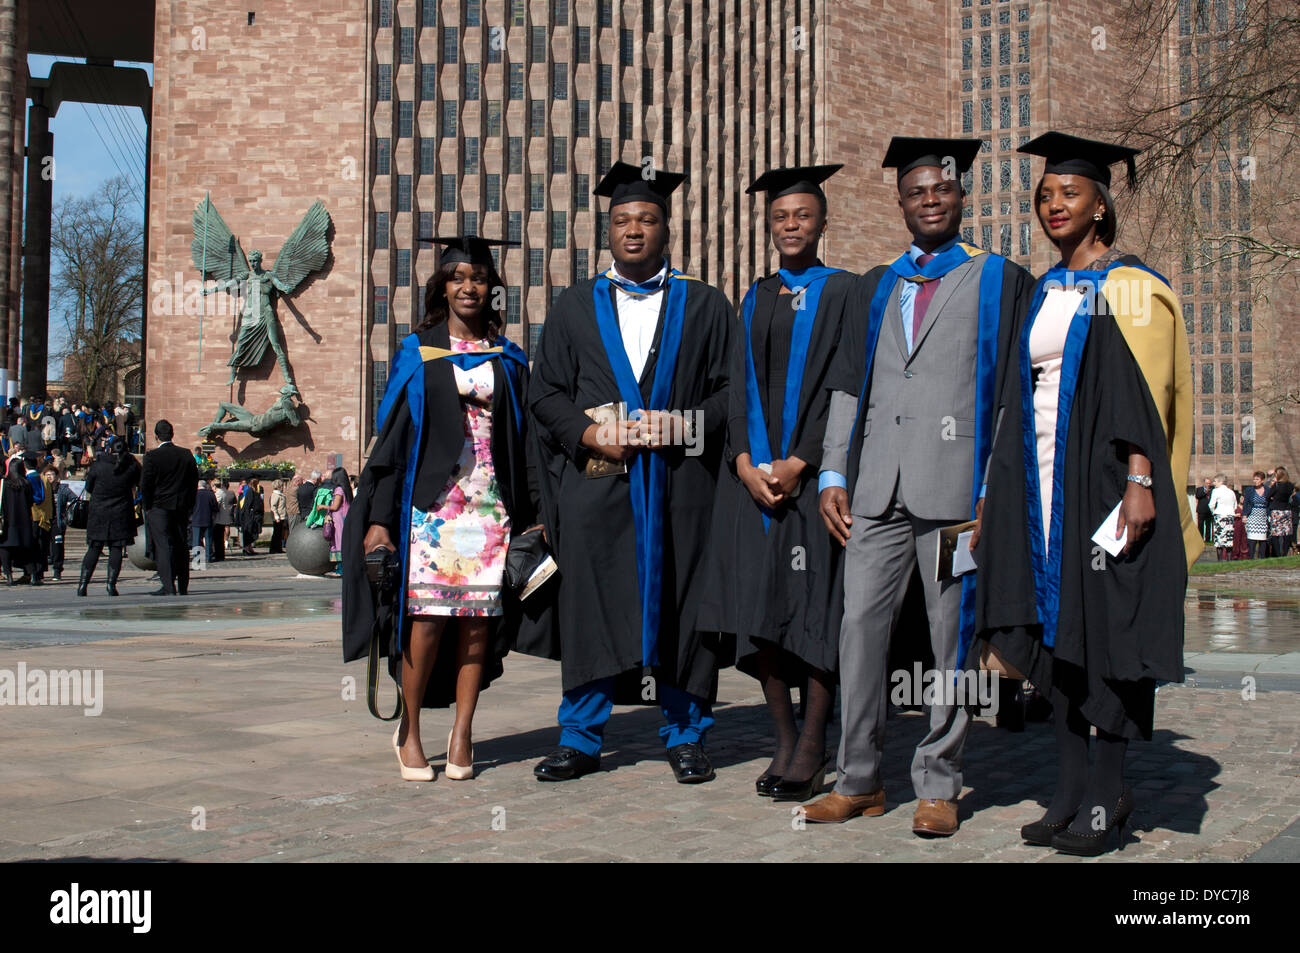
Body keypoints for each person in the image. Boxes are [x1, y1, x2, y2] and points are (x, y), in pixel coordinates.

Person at [975, 132, 1201, 856]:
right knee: (1058, 643)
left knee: (1109, 638)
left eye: (1069, 194)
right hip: (1042, 490)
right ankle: (1068, 790)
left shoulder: (1130, 287)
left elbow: (1147, 399)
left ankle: (1108, 795)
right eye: (1044, 197)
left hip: (1104, 490)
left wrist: (1141, 480)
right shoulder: (1046, 288)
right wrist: (994, 496)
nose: (1053, 206)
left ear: (1101, 204)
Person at [806, 138, 1033, 835]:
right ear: (899, 201)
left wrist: (994, 483)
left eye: (942, 188)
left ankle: (940, 780)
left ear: (962, 197)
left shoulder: (998, 278)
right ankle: (859, 778)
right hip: (875, 490)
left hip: (954, 492)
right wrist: (835, 470)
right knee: (858, 632)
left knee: (949, 640)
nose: (930, 199)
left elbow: (1010, 396)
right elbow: (852, 381)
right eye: (916, 190)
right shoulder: (878, 284)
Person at [525, 162, 735, 784]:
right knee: (591, 604)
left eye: (647, 219)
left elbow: (732, 395)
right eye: (622, 221)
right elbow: (546, 395)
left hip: (682, 488)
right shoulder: (572, 307)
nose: (634, 230)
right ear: (607, 230)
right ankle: (580, 736)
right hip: (598, 487)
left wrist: (685, 426)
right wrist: (590, 433)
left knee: (682, 605)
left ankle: (686, 734)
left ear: (667, 228)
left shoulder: (706, 305)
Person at [347, 235, 536, 782]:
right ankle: (409, 729)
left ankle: (463, 731)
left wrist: (536, 511)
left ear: (492, 289)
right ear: (443, 287)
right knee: (428, 619)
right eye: (457, 277)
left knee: (477, 622)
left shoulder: (509, 357)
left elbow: (526, 443)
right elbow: (393, 444)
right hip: (431, 508)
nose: (468, 286)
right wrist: (379, 518)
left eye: (478, 278)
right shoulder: (419, 352)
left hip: (490, 505)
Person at [698, 164, 854, 802]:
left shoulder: (845, 291)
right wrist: (739, 459)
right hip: (752, 482)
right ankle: (784, 739)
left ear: (822, 222)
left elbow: (847, 384)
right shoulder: (755, 295)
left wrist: (805, 461)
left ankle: (815, 744)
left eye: (803, 215)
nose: (791, 225)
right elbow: (735, 386)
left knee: (815, 614)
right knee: (759, 616)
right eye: (780, 217)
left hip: (810, 483)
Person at [141, 419, 199, 596]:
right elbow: (193, 482)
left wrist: (147, 506)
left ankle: (168, 585)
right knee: (181, 545)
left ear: (156, 437)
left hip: (159, 506)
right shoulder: (186, 454)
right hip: (180, 506)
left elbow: (146, 485)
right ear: (172, 434)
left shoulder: (151, 457)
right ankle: (183, 586)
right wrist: (189, 504)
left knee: (163, 545)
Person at [79, 437, 142, 596]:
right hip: (121, 511)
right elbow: (139, 482)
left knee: (94, 548)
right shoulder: (131, 466)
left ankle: (83, 585)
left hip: (99, 511)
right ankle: (111, 584)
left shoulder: (98, 465)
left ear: (109, 449)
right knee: (116, 548)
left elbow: (89, 487)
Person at [1, 455, 38, 585]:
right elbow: (31, 502)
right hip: (24, 521)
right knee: (27, 549)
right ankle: (32, 575)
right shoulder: (26, 483)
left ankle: (8, 575)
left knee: (5, 548)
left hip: (8, 521)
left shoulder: (4, 484)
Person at [315, 466, 352, 569]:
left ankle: (340, 569)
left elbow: (335, 507)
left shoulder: (339, 490)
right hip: (345, 517)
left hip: (339, 519)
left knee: (339, 543)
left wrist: (322, 506)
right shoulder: (346, 488)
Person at [1266, 465, 1294, 558]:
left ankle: (1278, 553)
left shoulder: (1277, 485)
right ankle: (1285, 553)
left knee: (1276, 533)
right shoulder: (1290, 485)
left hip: (1277, 510)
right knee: (1286, 533)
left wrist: (1273, 499)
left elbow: (1268, 496)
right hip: (1287, 510)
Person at [1208, 474, 1237, 560]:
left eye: (1215, 481)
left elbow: (1211, 504)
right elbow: (1235, 505)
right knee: (1228, 538)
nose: (1214, 483)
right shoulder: (1231, 492)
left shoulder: (1216, 491)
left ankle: (1220, 559)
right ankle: (1228, 558)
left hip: (1220, 515)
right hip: (1230, 516)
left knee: (1219, 539)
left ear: (1221, 482)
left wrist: (1214, 512)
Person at [1242, 471, 1269, 559]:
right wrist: (1244, 515)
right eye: (1254, 479)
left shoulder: (1267, 490)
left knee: (1263, 539)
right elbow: (1246, 503)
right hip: (1253, 515)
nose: (1255, 481)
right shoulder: (1249, 490)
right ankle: (1251, 557)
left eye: (1257, 479)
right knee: (1251, 539)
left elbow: (1269, 503)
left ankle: (1262, 557)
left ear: (1262, 480)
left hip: (1263, 516)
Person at [192, 479, 219, 563]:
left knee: (196, 540)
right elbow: (215, 507)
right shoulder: (210, 494)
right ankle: (208, 557)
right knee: (208, 539)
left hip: (196, 519)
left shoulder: (194, 494)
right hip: (208, 519)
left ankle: (197, 557)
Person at [239, 478, 265, 555]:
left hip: (254, 515)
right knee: (249, 533)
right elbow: (248, 504)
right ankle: (246, 548)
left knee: (252, 532)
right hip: (250, 516)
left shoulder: (255, 492)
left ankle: (250, 548)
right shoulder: (250, 492)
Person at [212, 478, 235, 561]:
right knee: (220, 537)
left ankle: (219, 555)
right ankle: (220, 554)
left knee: (217, 538)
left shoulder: (219, 494)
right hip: (223, 518)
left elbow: (216, 506)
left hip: (219, 519)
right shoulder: (223, 493)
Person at [268, 479, 288, 553]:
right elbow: (273, 507)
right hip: (278, 517)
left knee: (279, 534)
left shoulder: (280, 494)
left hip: (282, 516)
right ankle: (273, 548)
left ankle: (278, 548)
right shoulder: (275, 495)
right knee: (276, 534)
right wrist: (276, 516)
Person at [1194, 476, 1213, 544]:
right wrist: (1205, 492)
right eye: (1207, 483)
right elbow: (1198, 496)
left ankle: (1207, 539)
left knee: (1208, 525)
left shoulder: (1212, 490)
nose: (1209, 484)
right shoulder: (1199, 489)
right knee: (1200, 525)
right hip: (1201, 510)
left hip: (1209, 511)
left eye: (1209, 483)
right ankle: (1200, 539)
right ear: (1204, 483)